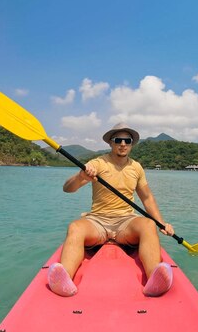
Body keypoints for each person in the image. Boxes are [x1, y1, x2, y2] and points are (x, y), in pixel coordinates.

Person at [47, 122, 175, 297]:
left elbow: (147, 198)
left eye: (127, 141)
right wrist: (81, 176)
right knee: (75, 227)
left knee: (148, 225)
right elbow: (68, 188)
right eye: (118, 140)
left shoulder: (136, 167)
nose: (123, 144)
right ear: (111, 143)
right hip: (97, 221)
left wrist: (161, 223)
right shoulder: (98, 163)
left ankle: (155, 278)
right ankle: (63, 280)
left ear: (132, 144)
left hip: (125, 222)